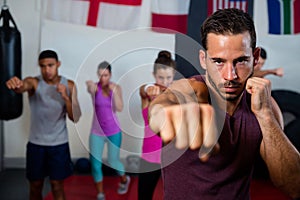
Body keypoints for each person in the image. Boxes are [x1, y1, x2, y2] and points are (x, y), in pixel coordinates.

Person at [148, 8, 300, 199]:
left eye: (241, 61)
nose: (230, 76)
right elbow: (165, 103)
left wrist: (265, 116)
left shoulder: (266, 106)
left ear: (255, 56)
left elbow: (294, 186)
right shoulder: (192, 89)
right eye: (218, 61)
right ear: (203, 60)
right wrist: (165, 114)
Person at [6, 49, 82, 200]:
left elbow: (76, 117)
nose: (47, 70)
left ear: (58, 64)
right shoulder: (34, 82)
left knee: (57, 185)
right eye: (42, 66)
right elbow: (24, 86)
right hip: (36, 145)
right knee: (35, 186)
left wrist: (66, 98)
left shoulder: (69, 85)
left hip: (59, 145)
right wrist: (16, 85)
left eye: (50, 65)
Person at [86, 61, 130, 200]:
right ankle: (100, 193)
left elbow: (119, 108)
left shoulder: (116, 88)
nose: (102, 78)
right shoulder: (94, 87)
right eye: (100, 75)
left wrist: (114, 92)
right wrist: (89, 86)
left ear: (110, 74)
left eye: (105, 75)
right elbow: (90, 88)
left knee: (113, 161)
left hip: (113, 131)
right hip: (96, 132)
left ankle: (124, 179)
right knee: (95, 163)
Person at [138, 50, 176, 200]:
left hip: (172, 158)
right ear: (154, 75)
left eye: (168, 77)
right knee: (144, 196)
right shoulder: (149, 95)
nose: (165, 82)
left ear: (173, 76)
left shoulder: (176, 94)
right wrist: (147, 88)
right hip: (149, 158)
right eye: (161, 77)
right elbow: (142, 91)